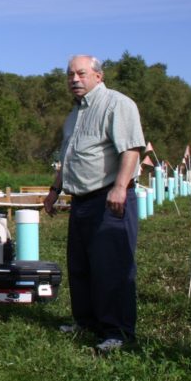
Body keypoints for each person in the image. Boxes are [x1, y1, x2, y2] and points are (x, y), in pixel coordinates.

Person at [43, 55, 145, 353]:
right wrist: (54, 190)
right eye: (70, 74)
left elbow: (131, 150)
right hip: (81, 201)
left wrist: (120, 187)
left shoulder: (116, 104)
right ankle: (86, 322)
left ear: (98, 76)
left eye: (82, 73)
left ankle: (118, 333)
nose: (74, 79)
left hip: (109, 199)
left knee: (111, 268)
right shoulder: (74, 114)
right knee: (81, 266)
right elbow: (69, 157)